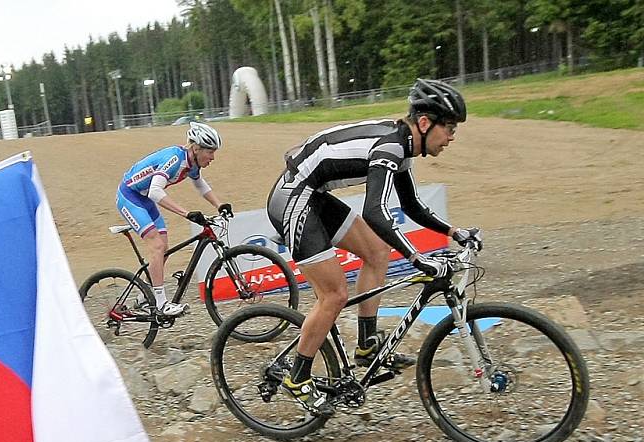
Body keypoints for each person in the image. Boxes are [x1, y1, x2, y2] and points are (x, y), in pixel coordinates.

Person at [266, 78, 482, 417]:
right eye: (450, 128)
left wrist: (455, 231)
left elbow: (411, 205)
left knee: (378, 252)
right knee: (334, 294)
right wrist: (416, 257)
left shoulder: (404, 147)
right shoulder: (390, 148)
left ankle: (366, 346)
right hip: (292, 198)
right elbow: (375, 212)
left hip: (314, 194)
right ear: (425, 123)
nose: (452, 137)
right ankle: (298, 376)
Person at [117, 122, 232, 316]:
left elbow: (200, 185)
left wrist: (219, 205)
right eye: (210, 152)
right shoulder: (175, 159)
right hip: (130, 197)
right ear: (196, 148)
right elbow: (155, 191)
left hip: (143, 198)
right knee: (157, 246)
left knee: (164, 248)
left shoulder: (192, 163)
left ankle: (144, 295)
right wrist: (186, 213)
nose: (212, 157)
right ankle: (162, 304)